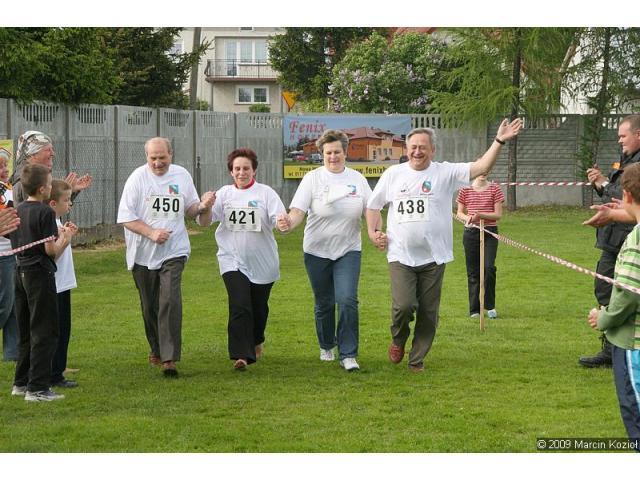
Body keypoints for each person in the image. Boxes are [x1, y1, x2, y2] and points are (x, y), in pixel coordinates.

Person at [366, 119, 522, 372]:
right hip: (400, 255)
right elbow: (373, 206)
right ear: (406, 149)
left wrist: (499, 141)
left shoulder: (445, 173)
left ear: (433, 150)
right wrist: (374, 233)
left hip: (434, 257)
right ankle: (398, 339)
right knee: (403, 306)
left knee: (429, 312)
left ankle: (416, 358)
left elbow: (482, 166)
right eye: (413, 147)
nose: (417, 151)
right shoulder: (393, 175)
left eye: (423, 147)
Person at [117, 137, 215, 377]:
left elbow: (190, 210)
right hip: (143, 253)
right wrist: (151, 233)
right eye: (153, 158)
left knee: (170, 299)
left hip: (174, 249)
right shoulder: (137, 179)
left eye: (162, 157)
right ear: (146, 157)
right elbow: (126, 218)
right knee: (149, 305)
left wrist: (202, 206)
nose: (158, 163)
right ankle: (157, 349)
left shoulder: (181, 175)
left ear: (171, 154)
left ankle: (169, 359)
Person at [277, 129, 372, 371]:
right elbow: (297, 211)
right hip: (316, 251)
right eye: (328, 153)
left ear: (345, 152)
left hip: (349, 250)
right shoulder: (312, 179)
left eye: (337, 152)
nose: (333, 157)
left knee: (347, 299)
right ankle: (327, 344)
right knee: (325, 302)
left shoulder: (358, 179)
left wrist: (375, 231)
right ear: (322, 154)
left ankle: (348, 354)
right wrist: (288, 224)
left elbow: (370, 210)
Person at [207, 148, 285, 371]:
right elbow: (205, 221)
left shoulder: (266, 193)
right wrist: (206, 206)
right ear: (231, 172)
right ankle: (241, 355)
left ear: (254, 170)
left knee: (259, 309)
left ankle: (257, 338)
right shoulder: (224, 194)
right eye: (237, 169)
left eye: (246, 168)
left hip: (263, 262)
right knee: (240, 304)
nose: (241, 173)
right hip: (231, 259)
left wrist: (282, 222)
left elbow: (278, 218)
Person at [586, 162, 640, 447]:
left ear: (626, 196)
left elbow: (627, 296)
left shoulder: (635, 242)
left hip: (633, 346)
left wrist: (603, 318)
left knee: (635, 412)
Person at [580, 114, 640, 368]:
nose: (619, 140)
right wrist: (600, 184)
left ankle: (618, 347)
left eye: (623, 136)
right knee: (604, 288)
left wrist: (604, 183)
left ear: (638, 134)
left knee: (624, 292)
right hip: (612, 238)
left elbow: (630, 196)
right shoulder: (624, 160)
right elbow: (617, 197)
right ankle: (611, 347)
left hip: (628, 238)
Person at [10, 164, 74, 402]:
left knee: (26, 330)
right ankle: (37, 388)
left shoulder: (18, 209)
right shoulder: (45, 212)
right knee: (44, 331)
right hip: (39, 275)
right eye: (48, 183)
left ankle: (20, 382)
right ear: (42, 189)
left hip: (19, 271)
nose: (50, 187)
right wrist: (65, 239)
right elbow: (51, 251)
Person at [456, 173, 505, 319]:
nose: (483, 173)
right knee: (473, 272)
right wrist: (469, 218)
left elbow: (498, 215)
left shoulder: (495, 189)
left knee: (489, 268)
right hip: (471, 233)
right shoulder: (465, 189)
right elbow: (459, 212)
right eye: (481, 170)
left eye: (486, 170)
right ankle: (474, 310)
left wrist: (481, 215)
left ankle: (489, 306)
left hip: (489, 232)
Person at [47, 180, 80, 388]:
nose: (70, 204)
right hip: (55, 285)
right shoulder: (50, 224)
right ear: (53, 204)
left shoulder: (57, 222)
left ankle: (56, 370)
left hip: (63, 284)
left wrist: (66, 232)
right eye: (66, 200)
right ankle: (54, 374)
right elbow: (52, 255)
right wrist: (65, 239)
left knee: (63, 329)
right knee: (57, 330)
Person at [10, 130, 93, 207]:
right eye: (48, 150)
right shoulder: (27, 181)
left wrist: (70, 191)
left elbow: (50, 211)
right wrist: (62, 192)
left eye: (52, 149)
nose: (53, 153)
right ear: (33, 154)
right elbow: (40, 215)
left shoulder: (33, 177)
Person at [0, 151, 19, 362]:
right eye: (0, 167)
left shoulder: (8, 189)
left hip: (12, 251)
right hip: (2, 254)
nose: (5, 170)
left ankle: (12, 352)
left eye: (6, 166)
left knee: (14, 303)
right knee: (4, 303)